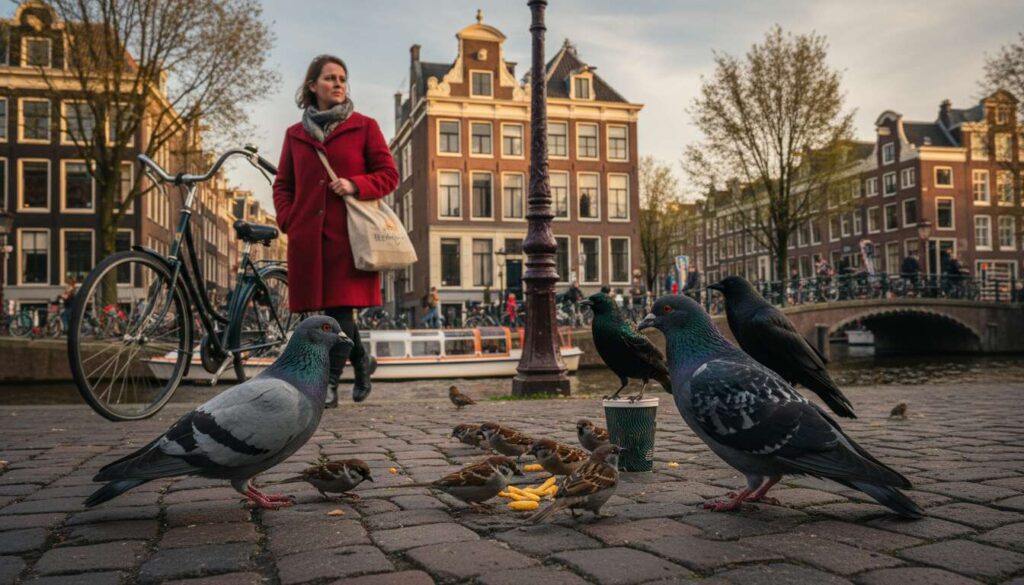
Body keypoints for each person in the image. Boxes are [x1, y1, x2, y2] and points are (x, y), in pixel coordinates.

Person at [273, 54, 399, 408]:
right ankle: (361, 360)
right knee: (321, 315)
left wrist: (355, 184)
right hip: (308, 242)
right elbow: (283, 185)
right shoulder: (295, 135)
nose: (339, 83)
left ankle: (327, 384)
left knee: (339, 314)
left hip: (348, 239)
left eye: (343, 78)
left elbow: (389, 175)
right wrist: (289, 220)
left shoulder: (365, 126)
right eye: (330, 78)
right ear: (313, 86)